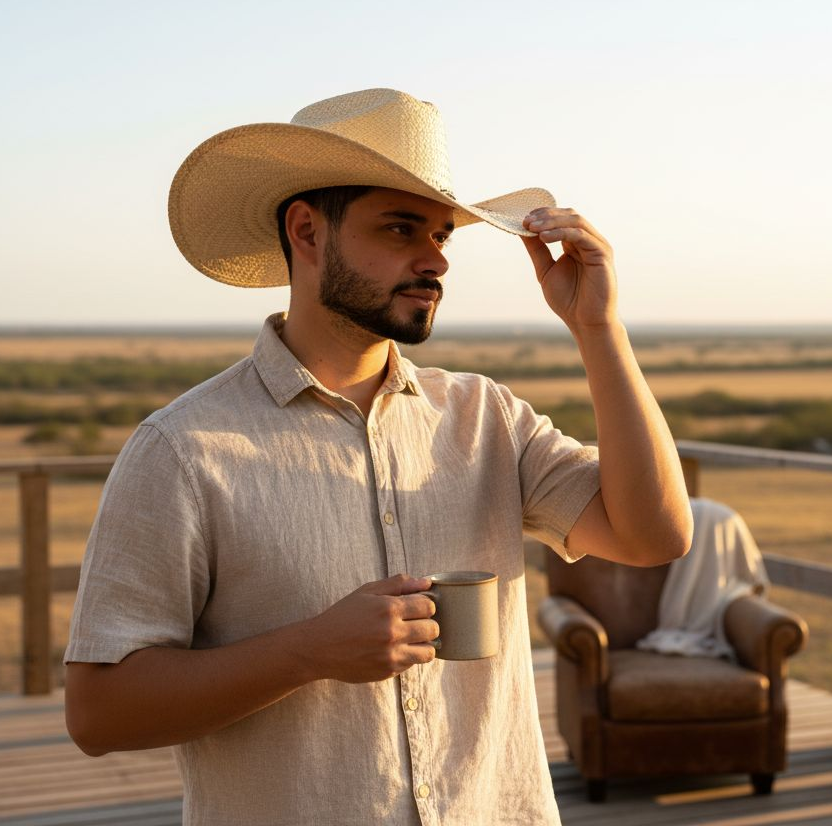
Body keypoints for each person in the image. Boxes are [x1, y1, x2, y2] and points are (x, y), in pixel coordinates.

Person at [64, 88, 692, 825]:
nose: (435, 261)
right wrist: (307, 652)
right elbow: (98, 713)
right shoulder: (181, 450)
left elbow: (653, 536)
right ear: (307, 232)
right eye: (401, 229)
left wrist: (598, 328)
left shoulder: (486, 418)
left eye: (442, 237)